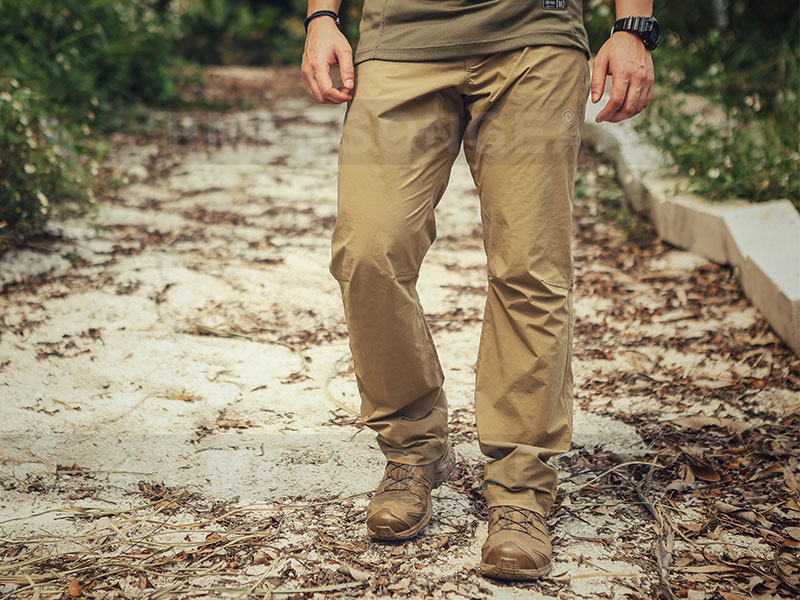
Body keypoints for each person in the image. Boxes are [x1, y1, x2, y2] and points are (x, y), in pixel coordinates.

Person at [301, 0, 656, 581]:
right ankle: (413, 448)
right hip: (401, 41)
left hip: (535, 36)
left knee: (529, 266)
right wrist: (321, 17)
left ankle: (520, 487)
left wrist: (632, 25)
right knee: (369, 248)